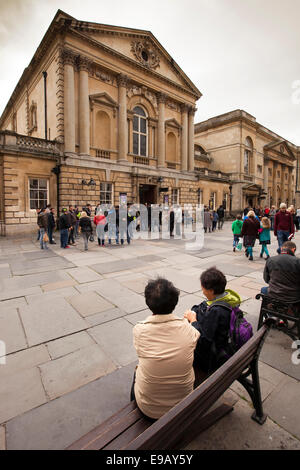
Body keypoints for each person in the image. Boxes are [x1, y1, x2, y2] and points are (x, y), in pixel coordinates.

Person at [132, 277, 200, 420]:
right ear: (175, 302)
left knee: (138, 369)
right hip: (182, 403)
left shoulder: (139, 330)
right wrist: (193, 320)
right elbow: (196, 332)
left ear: (148, 303)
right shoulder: (187, 329)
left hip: (149, 409)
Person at [184, 267, 241, 375]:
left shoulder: (216, 312)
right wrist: (194, 311)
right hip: (224, 342)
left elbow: (204, 341)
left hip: (211, 357)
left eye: (203, 288)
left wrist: (193, 320)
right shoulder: (227, 298)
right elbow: (204, 305)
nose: (202, 290)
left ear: (211, 291)